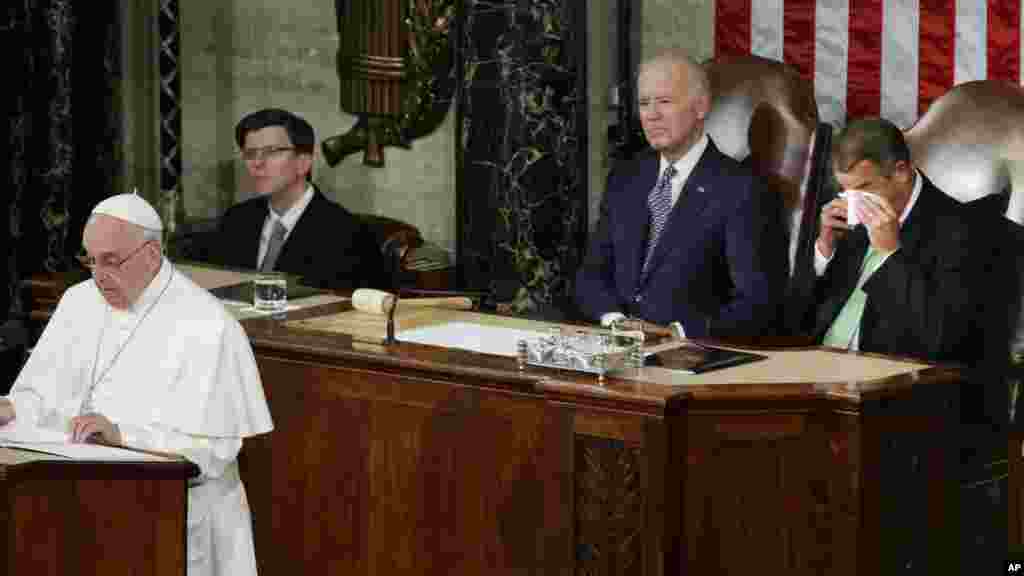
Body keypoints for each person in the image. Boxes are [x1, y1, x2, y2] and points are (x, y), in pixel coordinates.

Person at [0, 193, 273, 576]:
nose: (98, 274)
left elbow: (213, 449)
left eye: (111, 261)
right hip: (81, 506)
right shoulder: (79, 302)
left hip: (172, 519)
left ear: (152, 253)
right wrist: (12, 408)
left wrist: (121, 434)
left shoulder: (208, 325)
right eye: (90, 260)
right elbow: (45, 396)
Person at [574, 50, 787, 337]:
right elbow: (592, 274)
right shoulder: (626, 177)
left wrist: (676, 334)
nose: (651, 115)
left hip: (693, 360)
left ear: (701, 107)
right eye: (644, 103)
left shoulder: (743, 190)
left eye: (664, 102)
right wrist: (614, 320)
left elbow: (758, 303)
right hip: (616, 347)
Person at [808, 117, 983, 362]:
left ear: (901, 171)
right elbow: (798, 318)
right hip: (814, 366)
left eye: (864, 187)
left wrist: (892, 254)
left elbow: (942, 338)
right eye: (847, 189)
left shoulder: (962, 229)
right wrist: (824, 250)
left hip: (886, 382)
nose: (853, 200)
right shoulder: (849, 217)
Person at [211, 108, 379, 289]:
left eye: (271, 152)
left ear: (303, 163)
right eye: (250, 154)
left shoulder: (346, 234)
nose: (257, 163)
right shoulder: (236, 221)